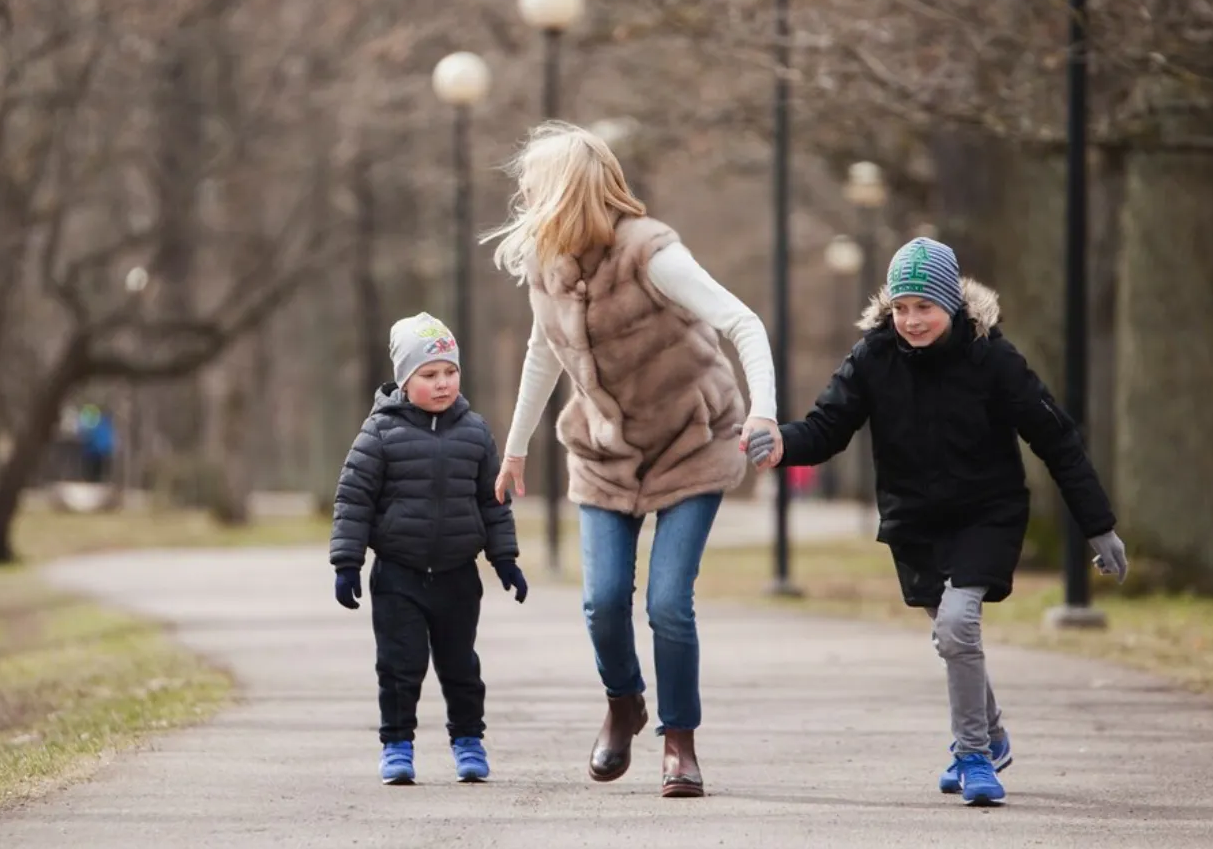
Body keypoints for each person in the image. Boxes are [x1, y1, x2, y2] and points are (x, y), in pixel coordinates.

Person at [755, 236, 1129, 806]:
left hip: (987, 512)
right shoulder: (873, 357)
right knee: (951, 636)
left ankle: (973, 753)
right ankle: (994, 733)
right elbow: (828, 427)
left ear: (951, 303)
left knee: (957, 624)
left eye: (923, 307)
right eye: (900, 308)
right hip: (915, 520)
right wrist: (782, 443)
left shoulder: (992, 358)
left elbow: (1058, 441)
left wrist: (1098, 526)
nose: (910, 321)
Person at [486, 122, 779, 798]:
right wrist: (516, 447)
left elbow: (743, 323)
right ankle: (624, 702)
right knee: (603, 601)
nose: (526, 197)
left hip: (690, 442)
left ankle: (679, 742)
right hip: (604, 452)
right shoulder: (545, 261)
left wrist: (762, 409)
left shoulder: (650, 253)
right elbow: (542, 352)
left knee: (670, 603)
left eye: (534, 185)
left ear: (567, 190)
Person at [330, 312, 528, 786]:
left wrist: (505, 558)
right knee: (400, 666)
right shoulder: (378, 435)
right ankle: (397, 745)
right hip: (399, 574)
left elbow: (492, 501)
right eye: (429, 374)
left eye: (450, 372)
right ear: (404, 380)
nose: (443, 383)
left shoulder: (475, 432)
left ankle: (468, 741)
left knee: (462, 666)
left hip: (459, 575)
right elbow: (353, 500)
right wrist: (347, 563)